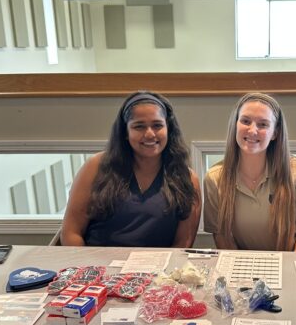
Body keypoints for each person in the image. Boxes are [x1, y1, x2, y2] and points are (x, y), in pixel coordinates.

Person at [61, 91, 201, 247]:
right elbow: (71, 233)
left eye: (157, 125)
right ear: (125, 133)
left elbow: (183, 243)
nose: (149, 134)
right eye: (139, 126)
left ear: (168, 129)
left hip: (156, 269)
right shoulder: (95, 167)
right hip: (97, 267)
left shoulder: (187, 179)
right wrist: (86, 270)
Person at [204, 92, 296, 252]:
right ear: (235, 125)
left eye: (263, 124)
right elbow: (221, 234)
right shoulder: (214, 177)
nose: (252, 130)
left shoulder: (295, 169)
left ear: (275, 133)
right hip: (249, 259)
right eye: (245, 121)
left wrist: (290, 263)